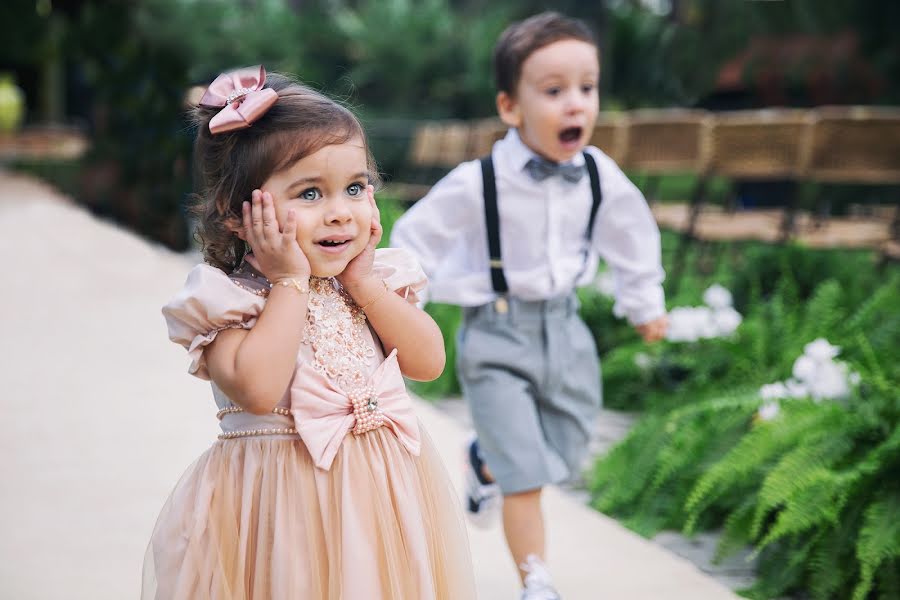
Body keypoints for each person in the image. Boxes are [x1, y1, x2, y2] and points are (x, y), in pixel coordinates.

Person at [142, 66, 475, 600]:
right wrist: (290, 282)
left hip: (381, 507)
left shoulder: (370, 286)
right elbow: (258, 388)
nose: (340, 214)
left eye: (354, 188)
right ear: (236, 214)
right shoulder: (231, 303)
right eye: (310, 195)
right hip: (282, 512)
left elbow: (429, 362)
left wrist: (366, 284)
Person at [391, 12, 668, 600]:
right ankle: (535, 581)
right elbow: (416, 240)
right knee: (527, 477)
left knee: (564, 453)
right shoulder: (478, 182)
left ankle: (483, 459)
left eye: (587, 88)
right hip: (495, 336)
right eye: (553, 91)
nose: (575, 105)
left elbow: (633, 236)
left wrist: (644, 302)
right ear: (510, 108)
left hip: (566, 333)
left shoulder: (600, 175)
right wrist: (392, 301)